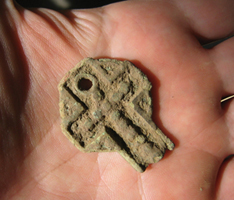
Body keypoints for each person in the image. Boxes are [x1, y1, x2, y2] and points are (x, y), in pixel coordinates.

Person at [0, 0, 233, 199]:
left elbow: (127, 88)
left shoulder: (113, 92)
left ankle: (151, 147)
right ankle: (149, 149)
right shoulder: (90, 113)